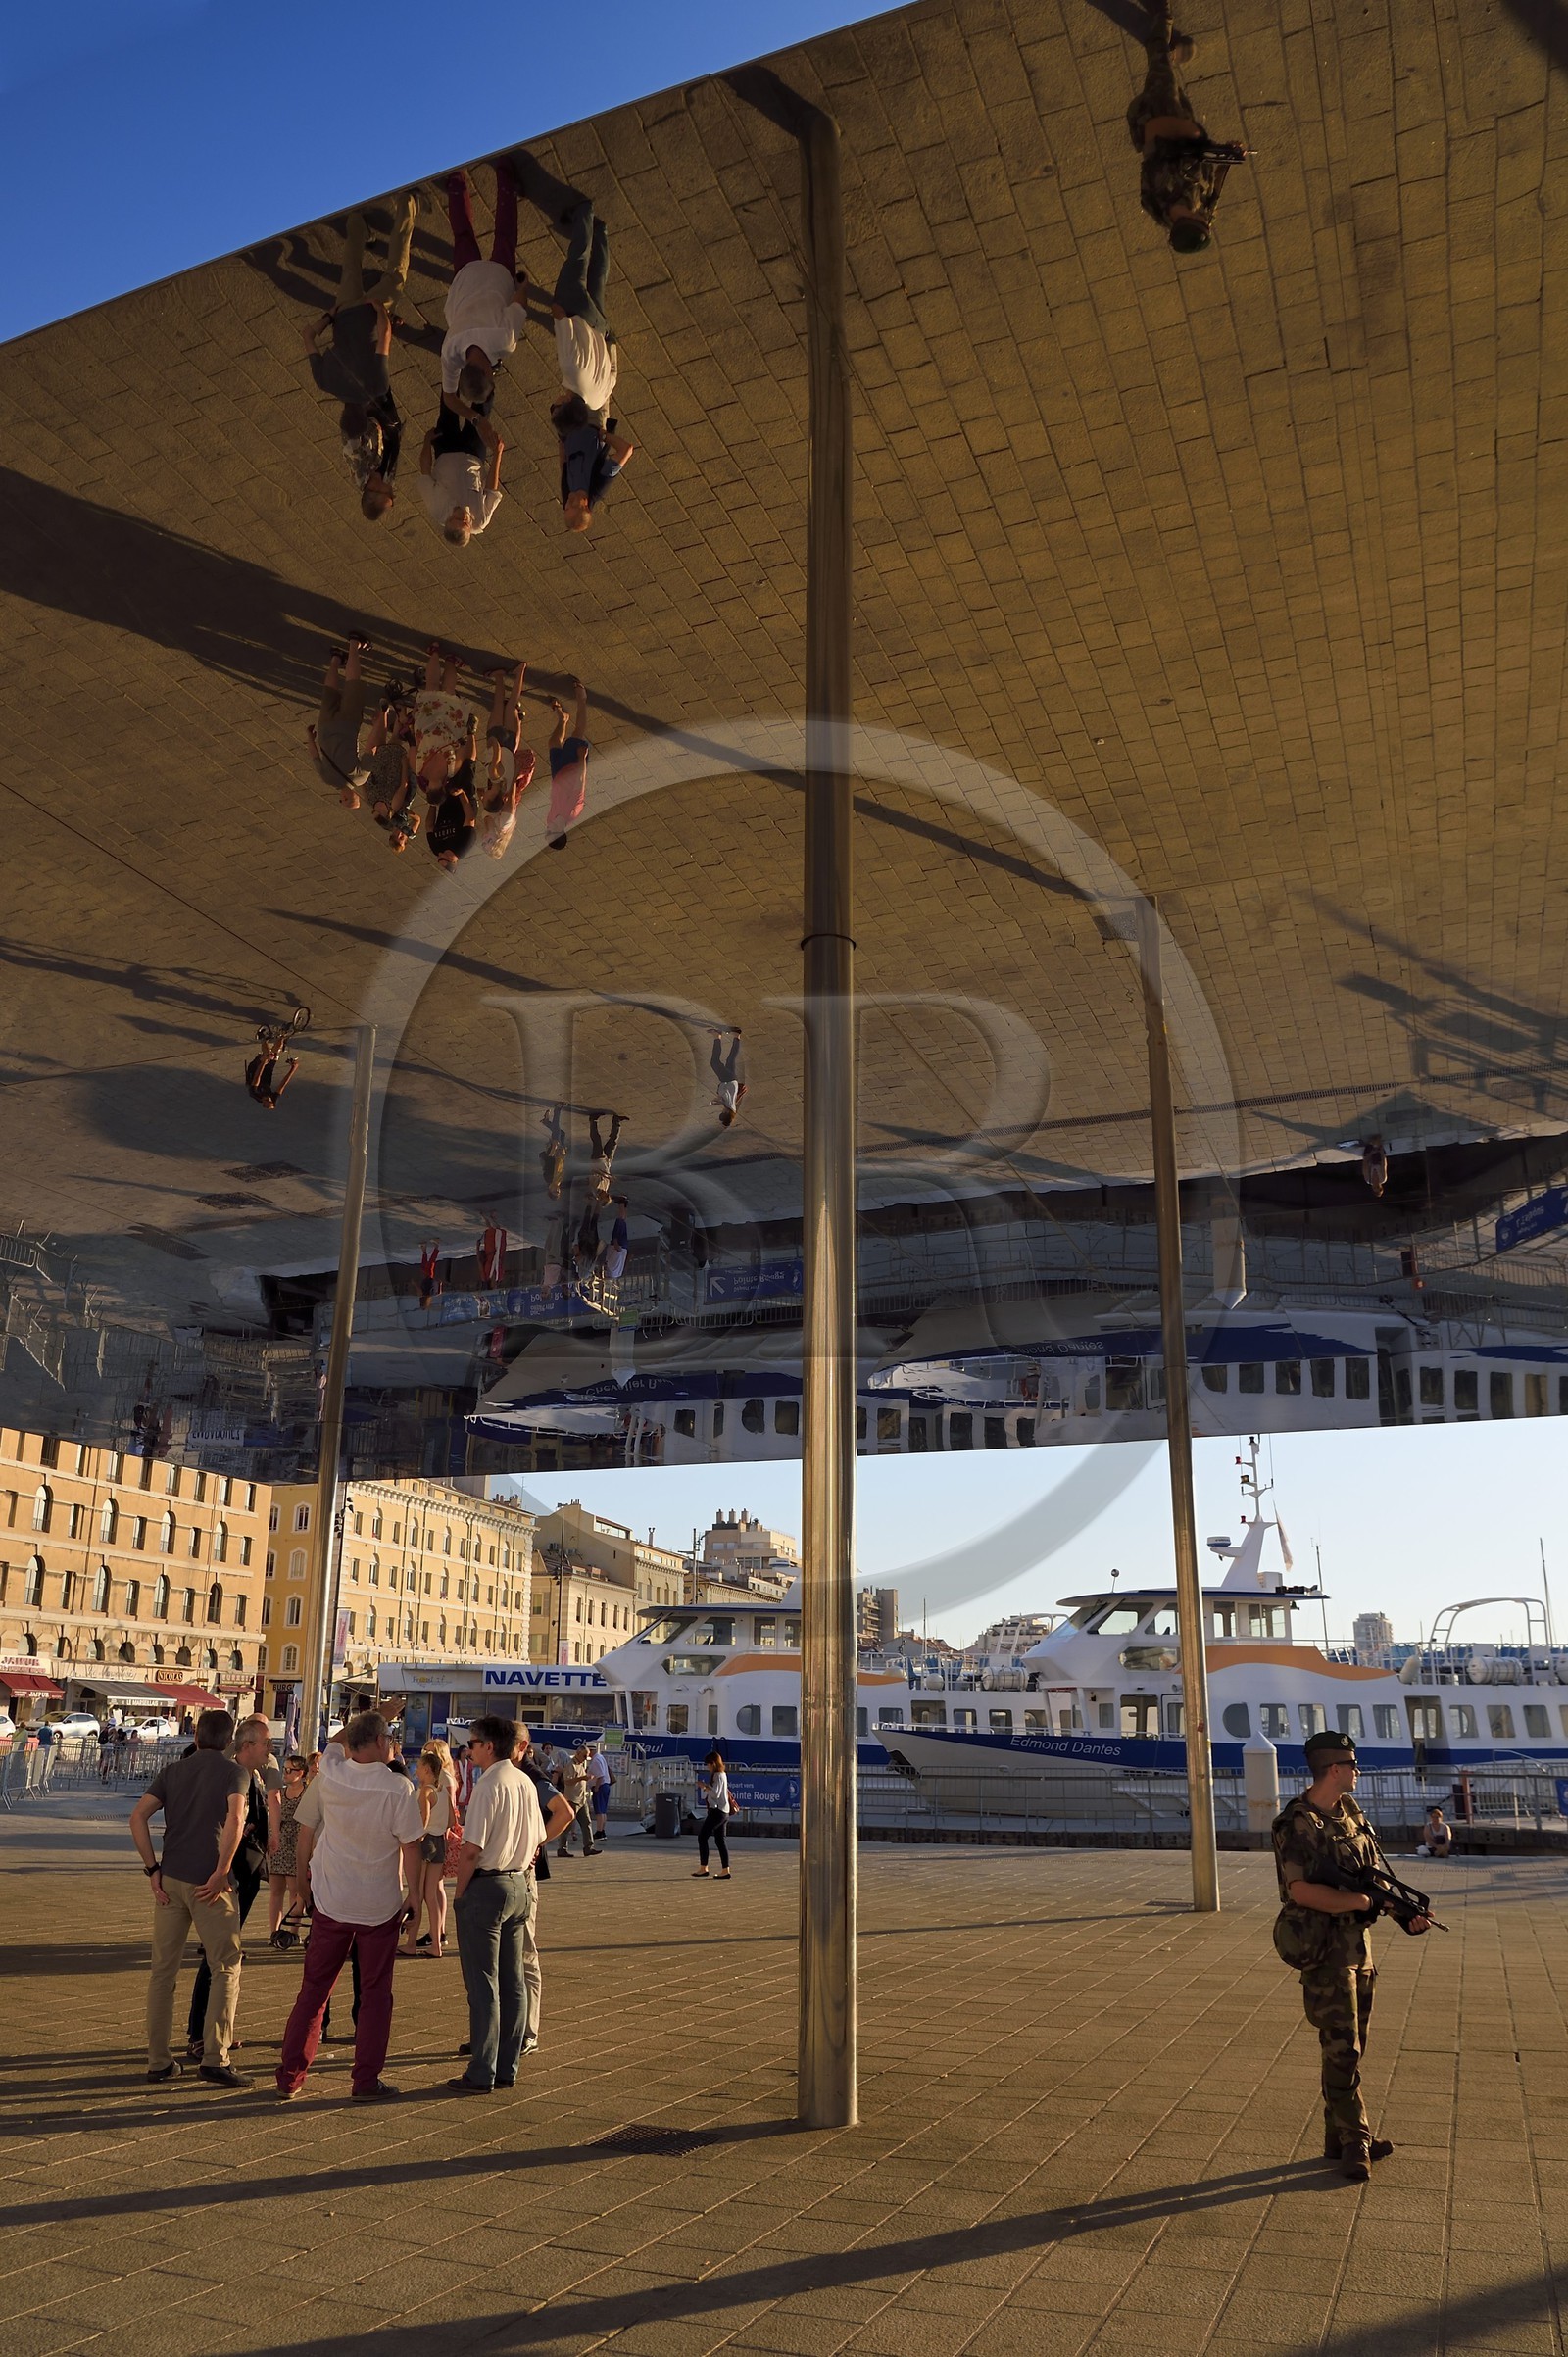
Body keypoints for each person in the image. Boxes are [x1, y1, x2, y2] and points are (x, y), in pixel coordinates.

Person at [1272, 1729, 1430, 2180]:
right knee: (1342, 2048)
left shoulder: (1351, 1813)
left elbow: (1371, 1877)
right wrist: (1360, 1902)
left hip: (1359, 1947)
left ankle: (1337, 2136)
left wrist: (1401, 1912)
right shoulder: (1297, 1823)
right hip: (1324, 1949)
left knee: (1353, 2046)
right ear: (1334, 1769)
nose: (1358, 1771)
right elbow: (1301, 1891)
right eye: (1353, 1765)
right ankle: (1356, 2138)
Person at [274, 1712, 424, 2104]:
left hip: (331, 1897)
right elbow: (411, 1847)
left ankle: (291, 2076)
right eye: (389, 1737)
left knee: (314, 1991)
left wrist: (303, 1883)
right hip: (378, 1903)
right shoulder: (398, 1787)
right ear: (380, 1741)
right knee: (375, 1994)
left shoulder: (331, 1772)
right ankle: (365, 2080)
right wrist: (415, 1895)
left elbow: (333, 1746)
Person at [129, 1707, 252, 2088]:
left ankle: (158, 2060)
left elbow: (137, 1817)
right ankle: (215, 2057)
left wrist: (152, 1869)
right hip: (210, 1885)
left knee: (163, 1972)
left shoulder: (173, 1771)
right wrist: (221, 1870)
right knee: (225, 1966)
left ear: (196, 1736)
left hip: (171, 1879)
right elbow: (236, 1819)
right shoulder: (235, 1772)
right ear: (229, 1740)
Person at [300, 195, 420, 518]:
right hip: (342, 317)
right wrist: (328, 317)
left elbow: (384, 338)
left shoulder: (373, 392)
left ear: (373, 490)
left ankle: (407, 206)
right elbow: (307, 337)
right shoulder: (325, 381)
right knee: (349, 271)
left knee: (396, 276)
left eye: (388, 493)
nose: (392, 488)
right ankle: (356, 224)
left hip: (368, 316)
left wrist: (382, 313)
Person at [448, 1715, 547, 2095]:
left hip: (488, 1885)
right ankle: (507, 2066)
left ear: (489, 1746)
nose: (469, 1750)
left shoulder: (489, 1784)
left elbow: (471, 1850)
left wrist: (459, 1894)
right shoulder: (524, 1781)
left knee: (483, 1983)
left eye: (473, 1743)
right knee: (513, 1981)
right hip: (520, 1882)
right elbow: (539, 1836)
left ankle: (481, 2070)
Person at [531, 197, 634, 532]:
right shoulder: (598, 486)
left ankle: (600, 232)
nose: (567, 501)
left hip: (572, 419)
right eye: (572, 505)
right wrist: (604, 434)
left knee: (597, 291)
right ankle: (587, 221)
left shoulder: (567, 492)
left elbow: (562, 462)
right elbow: (626, 452)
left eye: (565, 506)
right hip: (591, 414)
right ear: (586, 505)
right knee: (586, 293)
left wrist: (560, 432)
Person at [185, 1714, 275, 2063]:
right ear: (247, 1745)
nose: (270, 1749)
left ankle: (217, 2030)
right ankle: (199, 2034)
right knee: (217, 1957)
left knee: (227, 1957)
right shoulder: (232, 1775)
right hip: (229, 1877)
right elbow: (224, 1821)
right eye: (266, 1743)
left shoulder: (253, 1775)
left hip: (244, 1875)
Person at [1127, 8, 1245, 254]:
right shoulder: (1201, 213)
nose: (1208, 220)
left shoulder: (1161, 189)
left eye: (1203, 222)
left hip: (1159, 114)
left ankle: (1162, 21)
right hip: (1188, 126)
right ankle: (1171, 54)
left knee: (1159, 66)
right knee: (1167, 78)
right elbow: (1214, 190)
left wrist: (1192, 137)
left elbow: (1153, 133)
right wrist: (1228, 156)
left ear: (1186, 222)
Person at [441, 163, 527, 416]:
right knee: (462, 234)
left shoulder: (504, 341)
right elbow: (448, 398)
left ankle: (506, 177)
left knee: (505, 236)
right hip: (465, 277)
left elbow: (519, 303)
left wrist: (523, 286)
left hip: (498, 275)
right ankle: (456, 180)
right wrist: (475, 420)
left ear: (488, 372)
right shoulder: (449, 353)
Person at [417, 399, 505, 544]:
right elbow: (492, 491)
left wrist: (427, 442)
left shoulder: (437, 508)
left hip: (446, 449)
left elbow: (425, 472)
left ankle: (452, 386)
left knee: (448, 408)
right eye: (466, 523)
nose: (464, 517)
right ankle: (482, 387)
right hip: (474, 454)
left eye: (458, 519)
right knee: (481, 409)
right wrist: (497, 453)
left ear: (448, 520)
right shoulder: (480, 520)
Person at [403, 1743, 458, 1958]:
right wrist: (438, 1827)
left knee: (416, 1893)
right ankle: (436, 1944)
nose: (416, 1771)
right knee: (431, 1896)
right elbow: (452, 1821)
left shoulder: (425, 1791)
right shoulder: (442, 1792)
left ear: (427, 1769)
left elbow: (423, 1820)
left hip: (425, 1843)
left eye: (419, 1767)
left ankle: (410, 1944)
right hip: (439, 1843)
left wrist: (417, 1836)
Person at [308, 640, 373, 805]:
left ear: (354, 796)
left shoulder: (360, 778)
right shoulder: (327, 779)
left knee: (353, 683)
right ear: (344, 797)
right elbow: (314, 756)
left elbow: (371, 749)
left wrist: (379, 724)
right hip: (325, 728)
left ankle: (354, 645)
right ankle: (335, 660)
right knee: (329, 692)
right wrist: (310, 738)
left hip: (348, 726)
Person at [480, 664, 535, 859]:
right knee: (507, 706)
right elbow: (510, 796)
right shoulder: (503, 822)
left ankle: (504, 676)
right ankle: (516, 673)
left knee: (508, 706)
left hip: (506, 757)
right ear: (495, 840)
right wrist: (515, 771)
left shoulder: (498, 823)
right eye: (487, 842)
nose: (484, 839)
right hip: (504, 753)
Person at [412, 644, 478, 798]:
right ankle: (434, 652)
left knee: (449, 690)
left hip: (449, 726)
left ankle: (450, 661)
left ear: (443, 788)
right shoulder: (419, 770)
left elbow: (461, 750)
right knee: (431, 686)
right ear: (428, 790)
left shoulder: (452, 770)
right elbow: (412, 749)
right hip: (425, 725)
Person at [268, 1750, 310, 1939]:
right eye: (284, 1769)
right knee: (276, 1890)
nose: (285, 1773)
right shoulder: (279, 1793)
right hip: (279, 1843)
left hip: (298, 1844)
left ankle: (293, 1931)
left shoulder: (307, 1793)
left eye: (290, 1770)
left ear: (301, 1773)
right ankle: (274, 1932)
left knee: (295, 1890)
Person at [546, 679, 592, 849]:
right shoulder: (572, 812)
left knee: (553, 742)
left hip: (557, 773)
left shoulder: (550, 820)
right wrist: (582, 759)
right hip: (574, 767)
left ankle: (563, 718)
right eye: (549, 833)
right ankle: (582, 698)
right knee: (578, 732)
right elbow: (581, 783)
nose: (547, 829)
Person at [554, 1742, 599, 1857]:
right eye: (584, 1756)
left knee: (586, 1823)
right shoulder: (571, 1765)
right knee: (567, 1825)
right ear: (578, 1754)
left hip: (582, 1799)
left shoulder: (581, 1764)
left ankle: (588, 1847)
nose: (585, 1759)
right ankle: (562, 1848)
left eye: (587, 1756)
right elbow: (568, 1781)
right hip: (572, 1799)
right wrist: (582, 1778)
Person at [693, 1750, 733, 1880]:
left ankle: (703, 1867)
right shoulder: (723, 1774)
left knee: (702, 1837)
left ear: (713, 1763)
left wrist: (704, 1787)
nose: (707, 1767)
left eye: (708, 1765)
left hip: (717, 1811)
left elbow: (715, 1793)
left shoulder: (718, 1775)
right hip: (724, 1811)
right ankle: (725, 1869)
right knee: (720, 1840)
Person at [428, 776, 478, 870]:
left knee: (445, 775)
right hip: (463, 802)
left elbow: (429, 826)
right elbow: (470, 818)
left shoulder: (437, 849)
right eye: (442, 858)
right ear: (452, 860)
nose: (439, 855)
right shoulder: (463, 845)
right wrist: (461, 794)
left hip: (446, 803)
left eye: (438, 859)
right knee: (464, 773)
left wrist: (433, 803)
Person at [711, 1028, 747, 1128]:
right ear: (726, 1113)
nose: (723, 1110)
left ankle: (737, 1036)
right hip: (727, 1079)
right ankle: (717, 1037)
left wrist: (720, 1101)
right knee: (714, 1062)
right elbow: (725, 1093)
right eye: (723, 1112)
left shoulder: (732, 1108)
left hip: (732, 1079)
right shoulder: (729, 1105)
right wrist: (719, 1098)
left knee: (731, 1059)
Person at [588, 1108, 623, 1203]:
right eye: (608, 1196)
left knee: (597, 1140)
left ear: (600, 1198)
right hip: (607, 1162)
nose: (607, 1194)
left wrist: (607, 1176)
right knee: (613, 1142)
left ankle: (593, 1120)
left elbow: (593, 1173)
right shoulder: (605, 1189)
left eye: (606, 1196)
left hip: (598, 1160)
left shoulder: (595, 1188)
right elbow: (606, 1177)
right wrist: (609, 1177)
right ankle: (617, 1122)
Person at [588, 1743, 613, 1845]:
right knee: (603, 1811)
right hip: (605, 1785)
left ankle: (599, 1832)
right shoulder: (600, 1757)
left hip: (600, 1786)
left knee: (599, 1811)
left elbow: (600, 1775)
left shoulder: (595, 1761)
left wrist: (596, 1787)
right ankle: (602, 1831)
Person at [540, 1106, 566, 1201]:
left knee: (557, 1131)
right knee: (561, 1133)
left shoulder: (548, 1178)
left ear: (550, 1190)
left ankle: (557, 1109)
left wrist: (554, 1147)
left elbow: (548, 1161)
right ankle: (546, 1122)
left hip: (554, 1151)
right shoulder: (558, 1181)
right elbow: (561, 1167)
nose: (557, 1190)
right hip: (560, 1153)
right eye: (558, 1192)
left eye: (555, 1191)